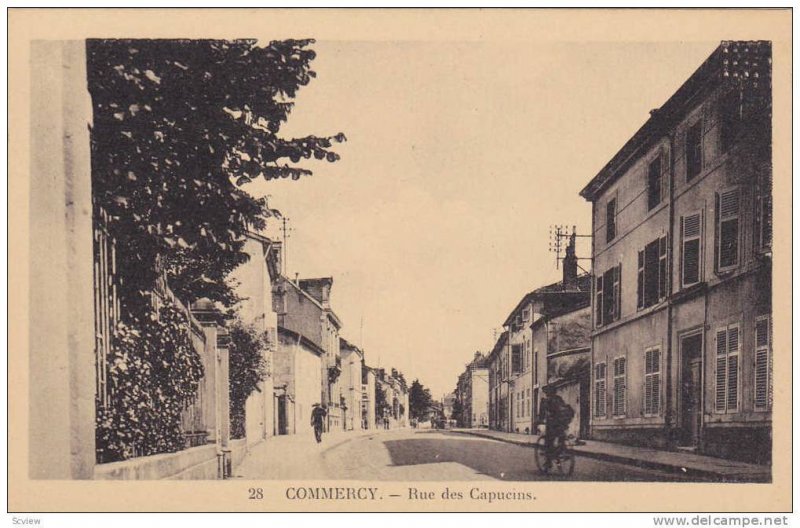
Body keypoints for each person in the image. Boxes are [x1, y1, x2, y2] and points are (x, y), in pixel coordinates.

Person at [534, 385, 574, 470]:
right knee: (561, 437)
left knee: (549, 441)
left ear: (547, 393)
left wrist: (539, 422)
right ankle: (562, 450)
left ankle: (548, 462)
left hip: (552, 424)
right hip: (563, 423)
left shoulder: (545, 401)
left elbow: (542, 414)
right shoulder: (559, 399)